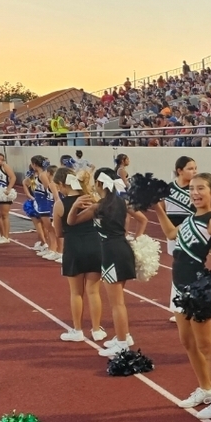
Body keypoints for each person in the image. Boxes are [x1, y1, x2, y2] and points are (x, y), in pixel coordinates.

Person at [154, 172, 211, 419]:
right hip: (178, 287)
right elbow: (171, 235)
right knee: (187, 341)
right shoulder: (192, 217)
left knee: (206, 345)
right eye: (192, 188)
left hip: (196, 289)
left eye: (200, 188)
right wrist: (159, 210)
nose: (195, 193)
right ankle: (206, 388)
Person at [52, 167, 105, 344]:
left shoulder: (59, 204)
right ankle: (97, 330)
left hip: (74, 248)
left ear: (61, 184)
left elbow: (58, 233)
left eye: (57, 186)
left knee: (76, 293)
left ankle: (77, 330)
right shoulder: (92, 199)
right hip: (94, 246)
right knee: (94, 291)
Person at [93, 168, 137, 357]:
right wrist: (136, 238)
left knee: (117, 303)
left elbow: (71, 221)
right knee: (119, 301)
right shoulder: (121, 202)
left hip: (111, 252)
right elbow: (142, 220)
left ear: (98, 183)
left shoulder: (100, 205)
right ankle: (124, 335)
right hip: (123, 248)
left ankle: (121, 343)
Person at [115, 153, 147, 238]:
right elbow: (125, 183)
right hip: (123, 196)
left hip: (123, 196)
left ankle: (124, 235)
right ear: (123, 160)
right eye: (127, 159)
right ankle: (136, 239)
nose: (129, 161)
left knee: (127, 216)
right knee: (143, 219)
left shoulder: (119, 170)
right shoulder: (121, 170)